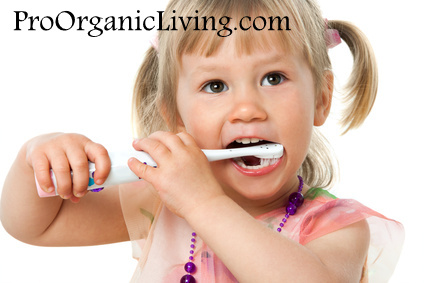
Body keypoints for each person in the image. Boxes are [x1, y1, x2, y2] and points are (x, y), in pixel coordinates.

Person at [0, 0, 404, 282]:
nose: (247, 108)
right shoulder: (158, 202)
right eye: (215, 85)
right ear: (176, 115)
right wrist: (35, 154)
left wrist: (203, 202)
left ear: (321, 98)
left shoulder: (336, 229)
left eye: (273, 78)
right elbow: (35, 227)